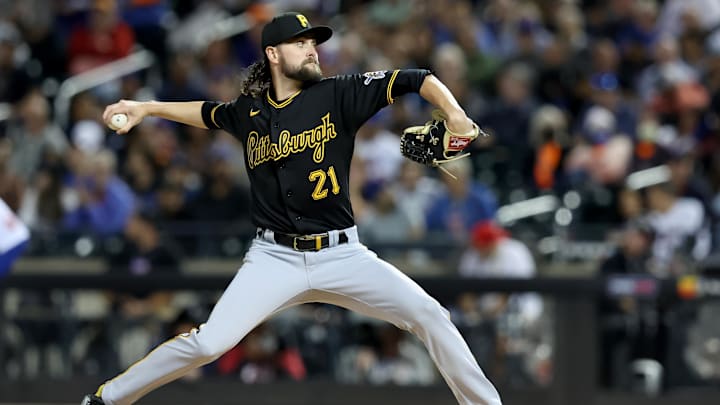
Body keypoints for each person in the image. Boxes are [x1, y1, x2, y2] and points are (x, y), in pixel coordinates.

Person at [81, 12, 502, 405]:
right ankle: (107, 398)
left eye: (313, 42)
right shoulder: (249, 113)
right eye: (300, 43)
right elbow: (208, 113)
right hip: (274, 257)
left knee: (429, 313)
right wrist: (146, 107)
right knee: (208, 343)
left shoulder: (339, 94)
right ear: (273, 54)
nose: (312, 49)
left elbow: (415, 78)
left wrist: (456, 114)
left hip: (342, 253)